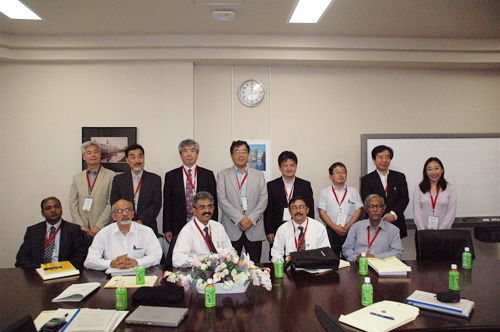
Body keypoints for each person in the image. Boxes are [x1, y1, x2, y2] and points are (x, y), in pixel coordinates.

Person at [217, 140, 268, 263]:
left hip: (254, 227)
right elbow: (222, 200)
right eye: (237, 152)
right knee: (228, 267)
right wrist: (240, 219)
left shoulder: (259, 175)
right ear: (231, 155)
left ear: (248, 154)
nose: (241, 155)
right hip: (231, 228)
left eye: (244, 151)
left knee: (255, 266)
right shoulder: (222, 175)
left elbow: (263, 199)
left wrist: (250, 219)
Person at [163, 139, 218, 244]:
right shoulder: (171, 176)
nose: (189, 154)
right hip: (178, 224)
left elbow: (214, 201)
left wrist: (212, 224)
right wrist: (167, 228)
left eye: (192, 150)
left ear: (197, 154)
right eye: (185, 151)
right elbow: (167, 204)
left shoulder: (208, 175)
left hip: (203, 222)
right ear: (180, 154)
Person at [84, 199, 162, 270]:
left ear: (132, 214)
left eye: (127, 210)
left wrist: (137, 262)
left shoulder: (146, 231)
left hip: (140, 276)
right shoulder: (103, 234)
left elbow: (156, 256)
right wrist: (111, 263)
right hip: (111, 279)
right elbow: (89, 261)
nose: (124, 214)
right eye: (119, 211)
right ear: (113, 217)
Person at [15, 197, 87, 269]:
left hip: (64, 272)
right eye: (48, 208)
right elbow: (22, 258)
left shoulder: (73, 230)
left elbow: (81, 256)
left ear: (61, 209)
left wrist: (60, 268)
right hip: (39, 273)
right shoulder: (33, 231)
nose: (53, 210)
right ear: (42, 213)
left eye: (56, 207)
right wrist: (40, 269)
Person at [264, 151, 314, 253]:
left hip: (300, 228)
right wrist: (269, 231)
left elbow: (310, 209)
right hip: (278, 229)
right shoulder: (271, 185)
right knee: (279, 257)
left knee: (301, 257)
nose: (289, 169)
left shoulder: (305, 185)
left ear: (296, 166)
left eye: (292, 165)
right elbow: (268, 210)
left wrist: (309, 229)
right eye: (285, 165)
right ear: (280, 167)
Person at [110, 144, 162, 235]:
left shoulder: (154, 179)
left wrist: (141, 221)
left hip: (147, 226)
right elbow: (115, 203)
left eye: (140, 157)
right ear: (127, 160)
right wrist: (128, 220)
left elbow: (156, 204)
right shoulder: (118, 180)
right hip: (124, 226)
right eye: (133, 157)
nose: (137, 160)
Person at [172, 192, 234, 268]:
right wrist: (202, 263)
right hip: (198, 273)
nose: (207, 210)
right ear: (194, 211)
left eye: (209, 206)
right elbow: (177, 259)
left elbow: (230, 251)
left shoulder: (218, 227)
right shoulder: (187, 231)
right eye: (202, 207)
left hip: (220, 271)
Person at [360, 145, 409, 238]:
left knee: (395, 251)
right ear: (374, 160)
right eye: (380, 157)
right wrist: (383, 216)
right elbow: (367, 200)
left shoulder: (399, 177)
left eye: (387, 157)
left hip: (396, 222)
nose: (384, 160)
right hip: (375, 223)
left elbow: (404, 198)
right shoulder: (366, 179)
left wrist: (393, 214)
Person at [69, 141, 116, 240]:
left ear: (100, 154)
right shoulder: (77, 177)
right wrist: (81, 225)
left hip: (104, 228)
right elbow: (73, 203)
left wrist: (98, 226)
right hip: (82, 230)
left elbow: (111, 203)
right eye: (89, 153)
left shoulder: (111, 176)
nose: (93, 155)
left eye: (95, 152)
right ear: (84, 157)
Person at [318, 162, 363, 258]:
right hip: (332, 230)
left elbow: (358, 211)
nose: (341, 174)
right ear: (330, 176)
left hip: (350, 230)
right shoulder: (324, 192)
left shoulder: (353, 191)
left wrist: (347, 227)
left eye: (343, 172)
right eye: (337, 172)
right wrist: (335, 227)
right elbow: (322, 212)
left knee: (351, 258)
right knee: (332, 258)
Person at [342, 194, 403, 262]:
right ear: (366, 209)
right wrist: (357, 258)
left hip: (383, 267)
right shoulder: (356, 227)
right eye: (371, 206)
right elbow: (346, 249)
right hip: (359, 265)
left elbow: (398, 253)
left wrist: (374, 257)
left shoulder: (393, 230)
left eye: (378, 206)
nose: (375, 210)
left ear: (384, 208)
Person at [271, 196, 330, 263]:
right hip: (291, 268)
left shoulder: (319, 228)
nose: (298, 211)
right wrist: (282, 266)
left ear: (307, 210)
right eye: (294, 208)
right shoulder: (283, 229)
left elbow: (325, 253)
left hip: (313, 268)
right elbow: (276, 253)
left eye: (301, 207)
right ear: (290, 211)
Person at [413, 157, 457, 230]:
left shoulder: (450, 188)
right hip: (423, 233)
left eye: (436, 168)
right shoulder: (419, 188)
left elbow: (451, 212)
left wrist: (441, 231)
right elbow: (416, 212)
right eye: (430, 169)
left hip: (444, 233)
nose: (433, 172)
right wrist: (422, 231)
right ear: (426, 172)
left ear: (442, 170)